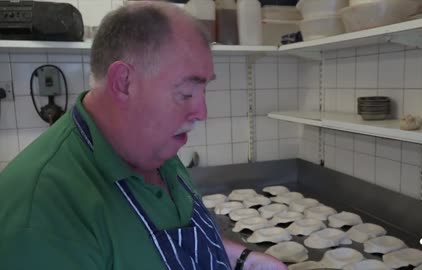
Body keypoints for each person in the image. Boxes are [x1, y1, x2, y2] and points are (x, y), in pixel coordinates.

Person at [0, 2, 287, 270]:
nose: (201, 112)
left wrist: (244, 259)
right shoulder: (39, 216)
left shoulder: (152, 145)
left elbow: (169, 235)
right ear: (124, 82)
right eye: (186, 93)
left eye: (203, 90)